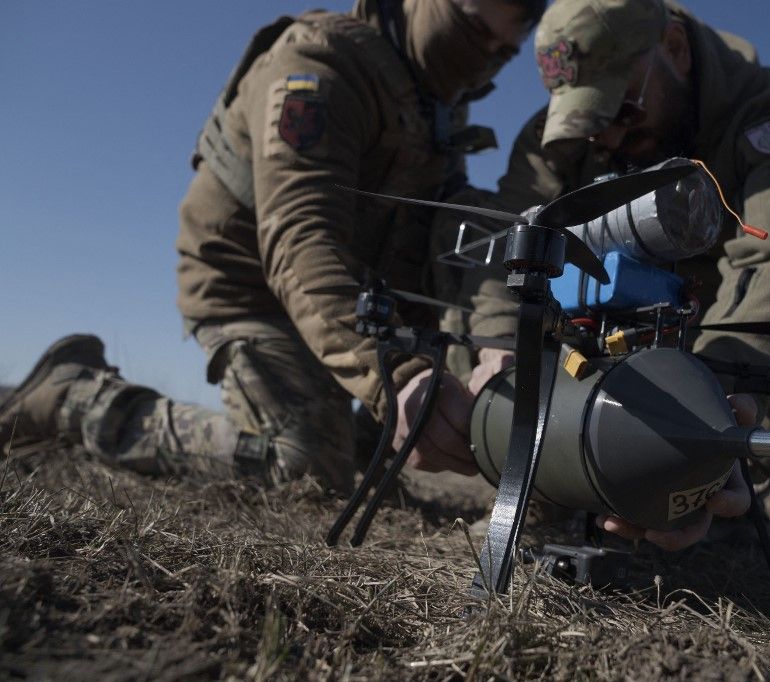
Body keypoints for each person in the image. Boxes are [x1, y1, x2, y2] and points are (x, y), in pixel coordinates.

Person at [0, 0, 543, 494]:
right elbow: (298, 237)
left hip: (345, 302)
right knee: (302, 464)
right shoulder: (319, 64)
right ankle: (77, 400)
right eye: (471, 28)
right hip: (251, 293)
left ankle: (364, 441)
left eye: (502, 53)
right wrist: (398, 379)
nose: (483, 58)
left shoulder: (431, 110)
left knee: (467, 231)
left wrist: (495, 343)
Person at [444, 0, 770, 542]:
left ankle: (719, 484)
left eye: (620, 111)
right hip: (585, 342)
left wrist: (705, 423)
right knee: (470, 338)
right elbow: (510, 243)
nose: (606, 140)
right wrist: (501, 354)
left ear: (672, 48)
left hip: (711, 351)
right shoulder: (559, 138)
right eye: (589, 120)